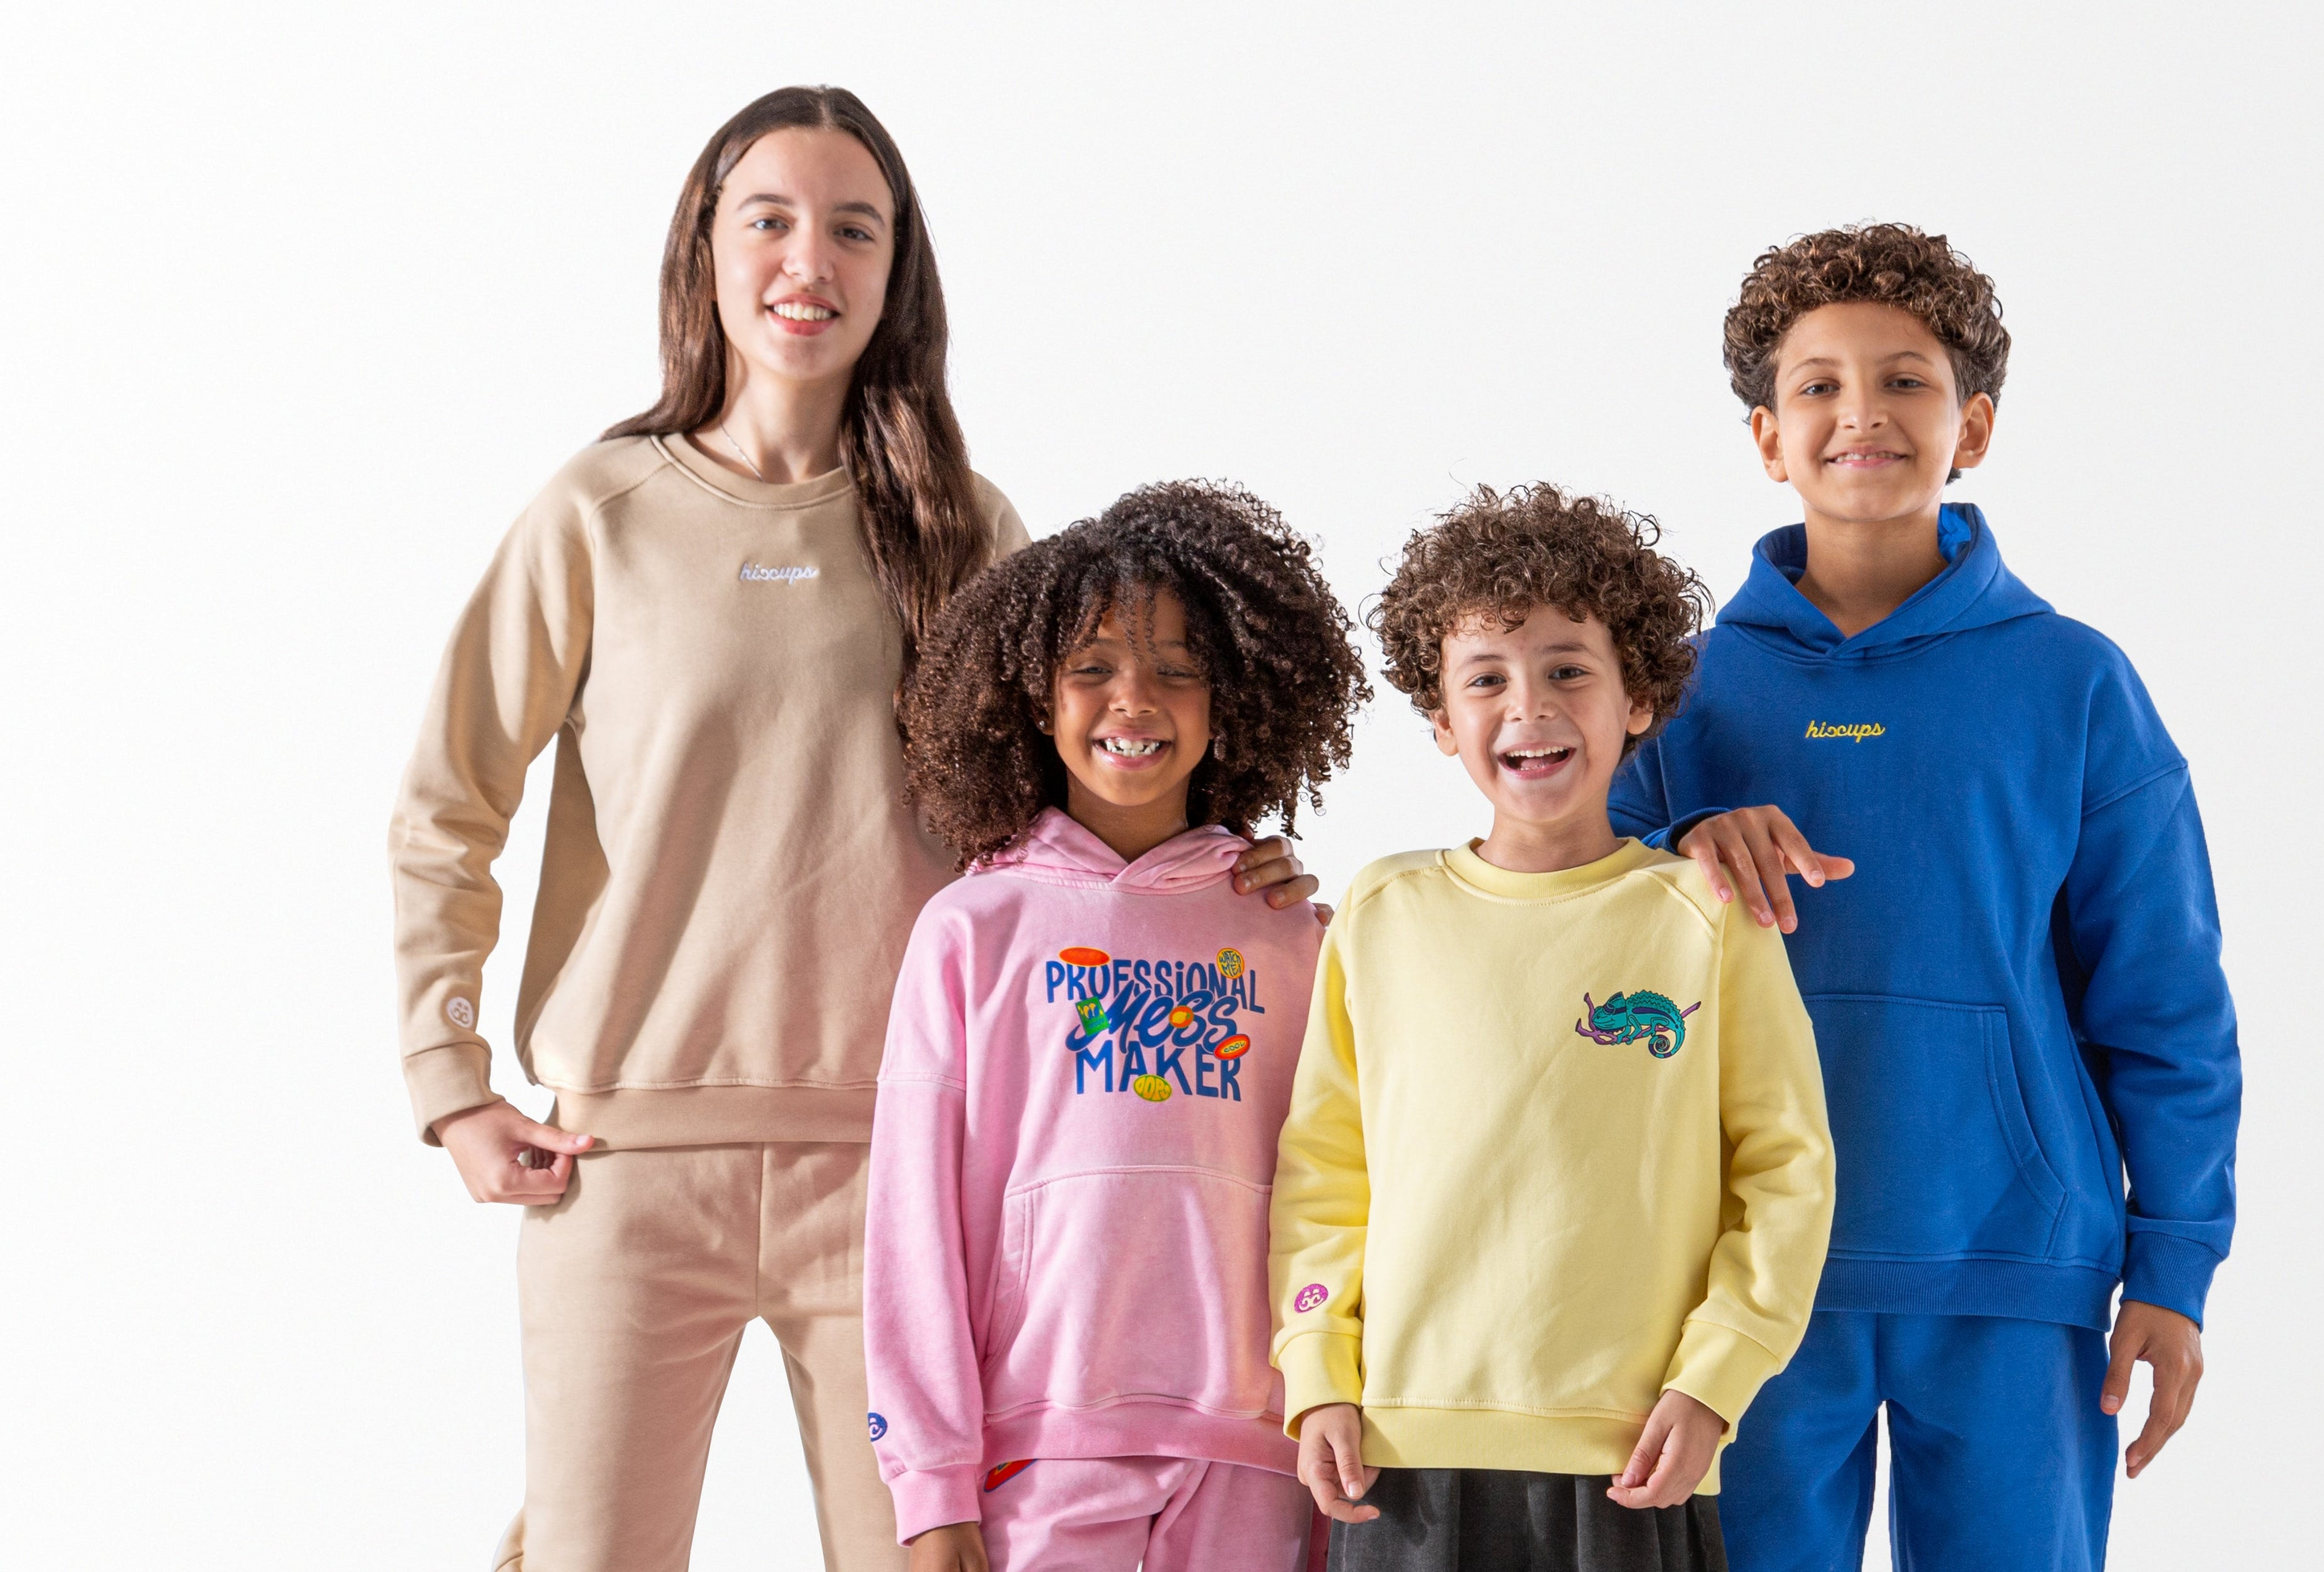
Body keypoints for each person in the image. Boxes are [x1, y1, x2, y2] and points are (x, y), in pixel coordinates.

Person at [385, 89, 1321, 1572]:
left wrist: (1220, 861)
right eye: (768, 219)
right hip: (623, 1155)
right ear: (706, 248)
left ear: (898, 271)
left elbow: (1077, 769)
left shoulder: (963, 528)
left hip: (899, 1171)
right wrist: (451, 1080)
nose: (807, 260)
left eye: (852, 228)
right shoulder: (599, 512)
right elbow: (452, 796)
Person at [1608, 223, 2243, 1571]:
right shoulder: (1676, 690)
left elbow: (2167, 999)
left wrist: (2175, 1266)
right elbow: (1565, 908)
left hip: (2017, 1266)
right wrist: (1679, 834)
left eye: (1906, 380)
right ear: (1768, 438)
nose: (1864, 414)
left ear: (1976, 426)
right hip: (1739, 1279)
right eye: (1819, 385)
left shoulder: (2073, 682)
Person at [1270, 486, 1837, 1572]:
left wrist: (1715, 1380)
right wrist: (1316, 1367)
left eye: (1569, 670)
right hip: (1404, 1446)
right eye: (1486, 678)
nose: (1528, 707)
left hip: (1632, 1447)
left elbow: (1786, 1170)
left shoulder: (1707, 914)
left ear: (1639, 699)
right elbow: (1326, 1171)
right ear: (1442, 719)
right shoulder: (1384, 911)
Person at [864, 481, 1368, 1572]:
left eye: (1177, 670)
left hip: (1257, 1443)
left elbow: (1342, 1189)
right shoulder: (972, 930)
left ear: (1230, 701)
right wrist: (930, 1483)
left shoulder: (1292, 933)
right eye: (1091, 668)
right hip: (1040, 1440)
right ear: (1034, 700)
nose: (1133, 700)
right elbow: (913, 1224)